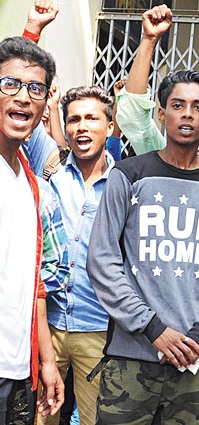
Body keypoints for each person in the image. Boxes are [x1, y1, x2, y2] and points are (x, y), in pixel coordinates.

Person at [87, 10, 199, 424]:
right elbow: (102, 260)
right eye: (178, 105)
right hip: (131, 354)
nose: (188, 114)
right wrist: (152, 328)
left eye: (198, 107)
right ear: (162, 115)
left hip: (196, 358)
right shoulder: (129, 174)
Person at [23, 85, 116, 425]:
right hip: (45, 325)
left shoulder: (124, 184)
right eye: (74, 119)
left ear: (109, 125)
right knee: (40, 416)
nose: (81, 127)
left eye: (92, 118)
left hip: (97, 328)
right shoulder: (49, 174)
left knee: (94, 420)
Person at [0, 35, 63, 422]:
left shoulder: (31, 182)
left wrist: (47, 361)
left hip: (16, 368)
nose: (23, 96)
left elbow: (34, 281)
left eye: (35, 88)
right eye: (9, 84)